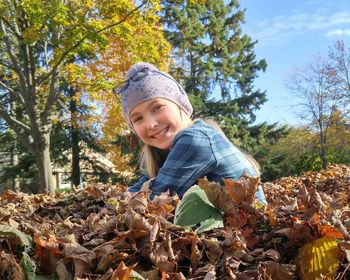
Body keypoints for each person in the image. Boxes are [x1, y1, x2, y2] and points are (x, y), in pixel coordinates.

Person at [115, 62, 267, 204]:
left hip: (251, 229)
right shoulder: (175, 149)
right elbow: (143, 186)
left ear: (180, 105)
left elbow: (151, 202)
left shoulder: (194, 139)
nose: (151, 124)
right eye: (138, 119)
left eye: (158, 107)